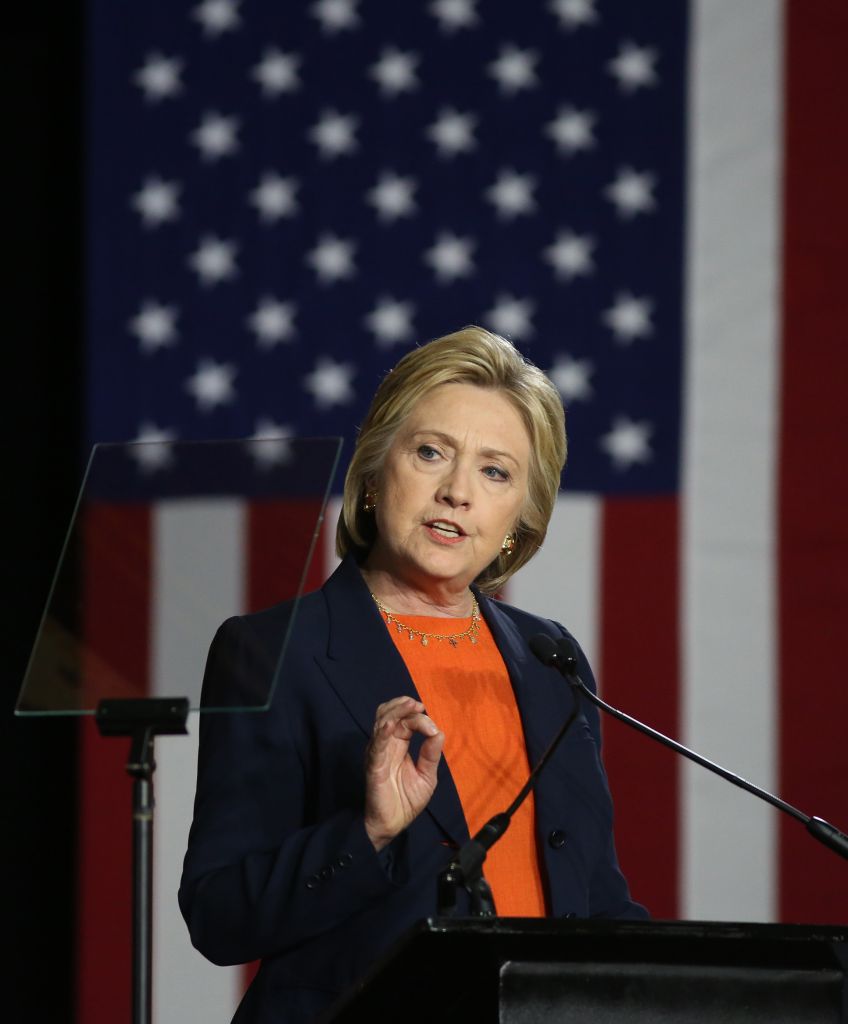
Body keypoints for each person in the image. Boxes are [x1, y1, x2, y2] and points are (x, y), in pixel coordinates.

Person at [179, 326, 647, 1023]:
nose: (458, 491)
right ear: (374, 475)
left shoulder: (554, 662)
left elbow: (595, 895)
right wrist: (368, 830)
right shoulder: (273, 650)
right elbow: (219, 914)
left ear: (519, 520)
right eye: (431, 452)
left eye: (496, 471)